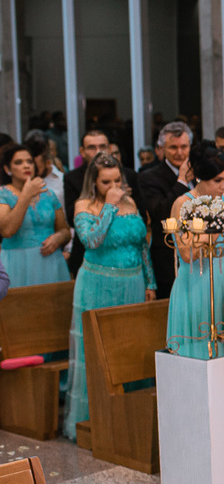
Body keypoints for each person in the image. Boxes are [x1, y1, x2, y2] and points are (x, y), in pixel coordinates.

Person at [64, 154, 155, 440]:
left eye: (118, 180)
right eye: (107, 182)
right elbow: (91, 240)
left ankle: (131, 417)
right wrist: (109, 207)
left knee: (131, 348)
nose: (114, 185)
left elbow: (142, 245)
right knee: (97, 352)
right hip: (97, 284)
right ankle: (96, 420)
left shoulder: (131, 203)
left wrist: (150, 282)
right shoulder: (84, 205)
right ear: (94, 182)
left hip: (132, 282)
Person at [165, 145, 224, 359]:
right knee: (202, 356)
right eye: (217, 181)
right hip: (198, 287)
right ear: (199, 177)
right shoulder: (183, 204)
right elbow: (187, 254)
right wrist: (214, 228)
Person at [64, 129, 144, 277]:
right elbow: (71, 220)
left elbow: (142, 235)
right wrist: (109, 204)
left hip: (132, 268)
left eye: (102, 146)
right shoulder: (72, 178)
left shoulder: (129, 175)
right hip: (93, 263)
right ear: (82, 151)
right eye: (92, 147)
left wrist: (149, 282)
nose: (98, 151)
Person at [0, 142, 71, 287]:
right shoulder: (3, 195)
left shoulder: (49, 194)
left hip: (50, 262)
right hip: (17, 264)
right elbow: (7, 231)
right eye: (19, 162)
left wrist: (59, 237)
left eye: (30, 162)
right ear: (7, 169)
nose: (26, 166)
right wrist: (26, 196)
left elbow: (65, 231)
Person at [139, 121, 194, 297]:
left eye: (184, 146)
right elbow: (160, 212)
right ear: (162, 149)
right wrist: (182, 182)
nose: (179, 152)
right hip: (168, 260)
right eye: (173, 147)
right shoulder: (148, 176)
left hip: (201, 256)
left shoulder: (200, 172)